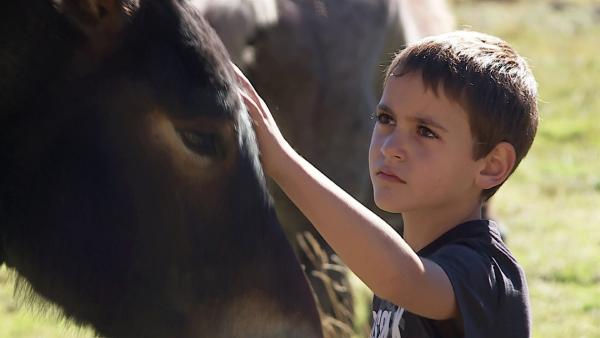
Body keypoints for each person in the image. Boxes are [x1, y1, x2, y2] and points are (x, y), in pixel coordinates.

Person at [233, 30, 538, 337]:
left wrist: (282, 162)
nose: (390, 146)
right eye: (386, 119)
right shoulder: (401, 264)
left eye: (425, 131)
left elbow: (403, 279)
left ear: (491, 165)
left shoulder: (486, 272)